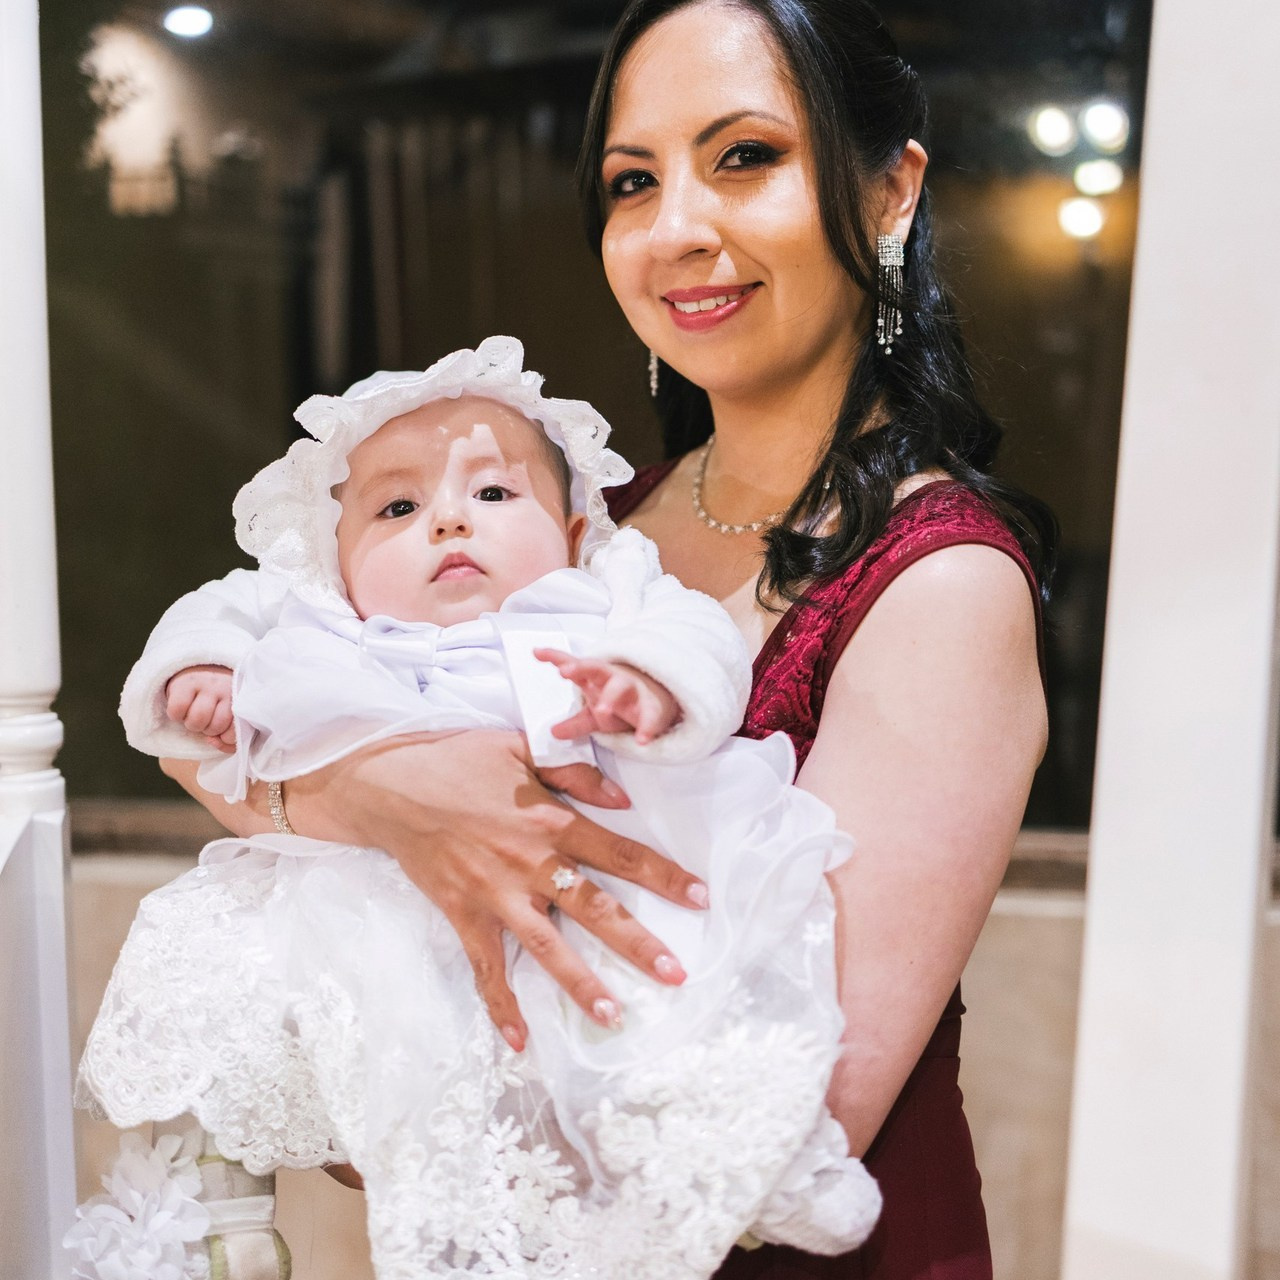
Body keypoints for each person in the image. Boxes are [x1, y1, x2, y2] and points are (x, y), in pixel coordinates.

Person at [152, 2, 1054, 1277]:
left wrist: (403, 1064)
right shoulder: (585, 534)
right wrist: (386, 795)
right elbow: (230, 727)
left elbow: (778, 1123)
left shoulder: (937, 580)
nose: (677, 228)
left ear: (889, 187)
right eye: (633, 182)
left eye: (744, 156)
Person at [75, 338, 881, 1280]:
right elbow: (216, 610)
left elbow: (695, 638)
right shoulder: (328, 620)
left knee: (673, 987)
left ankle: (762, 1166)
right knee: (207, 957)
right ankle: (214, 1204)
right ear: (334, 564)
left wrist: (645, 686)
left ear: (578, 536)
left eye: (494, 495)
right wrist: (204, 672)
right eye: (399, 507)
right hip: (355, 902)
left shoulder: (604, 596)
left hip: (572, 886)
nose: (451, 523)